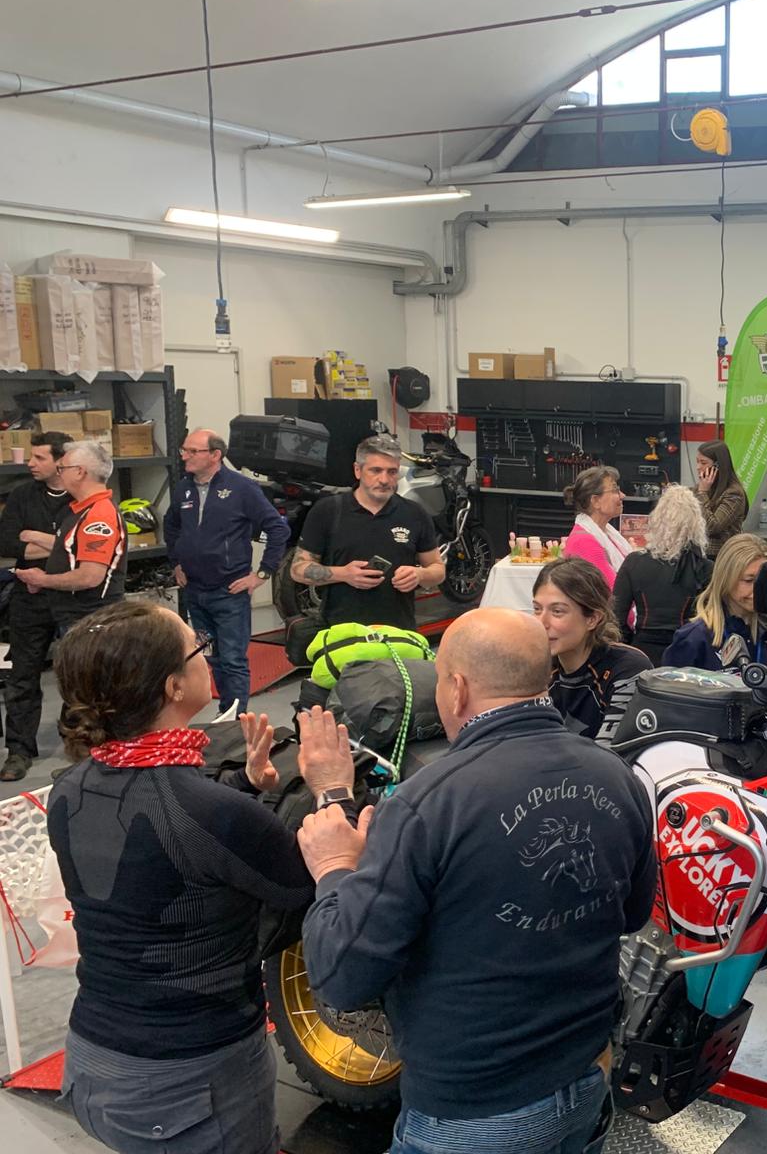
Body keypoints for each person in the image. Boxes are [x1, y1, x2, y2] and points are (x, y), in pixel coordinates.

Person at [296, 608, 657, 1154]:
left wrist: (333, 865)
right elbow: (631, 914)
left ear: (458, 688)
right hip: (585, 1080)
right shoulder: (617, 776)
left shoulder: (428, 803)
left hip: (473, 1112)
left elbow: (342, 975)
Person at [46, 600, 355, 1154]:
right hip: (189, 1081)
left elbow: (158, 854)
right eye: (198, 648)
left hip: (95, 1060)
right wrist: (334, 789)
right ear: (172, 686)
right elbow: (311, 887)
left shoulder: (71, 788)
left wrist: (243, 786)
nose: (206, 657)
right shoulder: (207, 810)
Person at [164, 428, 291, 717]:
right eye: (184, 450)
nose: (184, 456)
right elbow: (171, 525)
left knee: (233, 660)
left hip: (229, 592)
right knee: (212, 658)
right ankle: (225, 714)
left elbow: (277, 529)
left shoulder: (242, 488)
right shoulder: (183, 488)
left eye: (192, 451)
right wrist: (177, 562)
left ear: (215, 455)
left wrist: (262, 574)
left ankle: (236, 722)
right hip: (195, 591)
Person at [291, 434, 445, 630]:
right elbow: (298, 569)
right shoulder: (328, 511)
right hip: (341, 634)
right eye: (376, 470)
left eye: (392, 472)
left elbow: (437, 569)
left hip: (398, 634)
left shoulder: (414, 514)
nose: (384, 480)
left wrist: (419, 575)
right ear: (358, 470)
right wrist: (343, 574)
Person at [0, 430, 73, 780]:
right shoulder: (21, 496)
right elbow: (7, 544)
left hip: (72, 597)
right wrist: (61, 544)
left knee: (77, 673)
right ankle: (18, 751)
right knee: (22, 676)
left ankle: (78, 745)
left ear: (61, 461)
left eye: (39, 457)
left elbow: (82, 550)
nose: (30, 463)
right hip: (28, 598)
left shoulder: (81, 497)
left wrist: (38, 539)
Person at [533, 556, 652, 739]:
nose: (542, 623)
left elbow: (611, 751)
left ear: (592, 619)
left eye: (557, 611)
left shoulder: (627, 668)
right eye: (537, 609)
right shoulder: (535, 664)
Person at [15, 440, 126, 635]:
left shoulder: (98, 515)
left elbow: (89, 576)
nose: (59, 474)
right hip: (78, 619)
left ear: (80, 472)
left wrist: (43, 580)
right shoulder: (81, 511)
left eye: (62, 468)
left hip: (92, 621)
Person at [611, 484, 712, 665]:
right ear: (697, 523)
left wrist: (629, 646)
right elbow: (714, 620)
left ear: (657, 520)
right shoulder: (704, 568)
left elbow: (616, 617)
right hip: (688, 653)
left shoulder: (634, 562)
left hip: (642, 653)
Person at [662, 533, 767, 671]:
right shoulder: (695, 637)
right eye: (749, 580)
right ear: (726, 579)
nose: (760, 589)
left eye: (766, 580)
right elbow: (668, 682)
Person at [561, 464, 633, 588]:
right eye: (615, 490)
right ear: (595, 501)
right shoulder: (583, 542)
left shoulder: (605, 534)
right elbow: (613, 590)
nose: (622, 495)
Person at [693, 439, 747, 557]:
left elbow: (712, 526)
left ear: (717, 466)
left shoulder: (734, 494)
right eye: (697, 462)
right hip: (700, 554)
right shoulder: (703, 487)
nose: (698, 467)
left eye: (703, 463)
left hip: (721, 556)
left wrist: (702, 492)